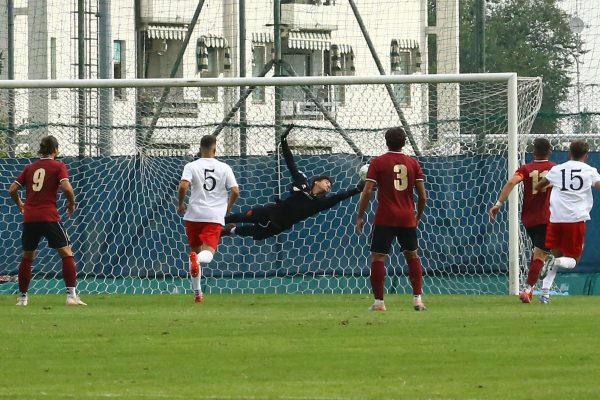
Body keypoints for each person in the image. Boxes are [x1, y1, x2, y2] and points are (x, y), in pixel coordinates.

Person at [221, 125, 363, 240]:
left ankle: (230, 231)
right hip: (271, 211)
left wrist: (358, 189)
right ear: (317, 182)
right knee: (243, 216)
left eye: (330, 186)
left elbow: (340, 196)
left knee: (253, 232)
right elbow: (291, 164)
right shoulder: (302, 183)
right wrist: (283, 141)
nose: (329, 186)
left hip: (279, 225)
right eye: (326, 182)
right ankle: (217, 221)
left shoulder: (321, 203)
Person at [8, 135, 86, 306]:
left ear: (41, 149)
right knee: (66, 252)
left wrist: (21, 203)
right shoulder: (58, 166)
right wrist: (71, 203)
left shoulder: (30, 168)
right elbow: (66, 187)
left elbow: (12, 189)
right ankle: (72, 296)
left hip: (30, 218)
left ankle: (22, 298)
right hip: (49, 216)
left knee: (28, 256)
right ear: (56, 149)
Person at [355, 127, 427, 312]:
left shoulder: (377, 163)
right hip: (406, 217)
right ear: (404, 143)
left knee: (378, 257)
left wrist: (360, 216)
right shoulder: (413, 164)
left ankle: (379, 303)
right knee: (412, 255)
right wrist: (418, 216)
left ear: (386, 142)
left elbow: (368, 191)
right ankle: (417, 300)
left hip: (385, 217)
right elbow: (423, 196)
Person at [489, 138, 555, 303]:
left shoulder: (526, 169)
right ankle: (528, 290)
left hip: (528, 219)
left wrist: (498, 204)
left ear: (533, 151)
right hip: (547, 218)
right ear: (550, 151)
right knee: (541, 255)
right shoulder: (555, 168)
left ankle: (537, 282)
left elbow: (512, 182)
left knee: (538, 253)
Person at [534, 140, 600, 303]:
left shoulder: (557, 169)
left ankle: (544, 292)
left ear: (569, 153)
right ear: (586, 156)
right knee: (572, 260)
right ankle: (553, 263)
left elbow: (539, 186)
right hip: (575, 219)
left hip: (556, 219)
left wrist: (552, 184)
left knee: (556, 255)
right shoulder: (589, 171)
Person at [177, 134, 239, 303]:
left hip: (194, 216)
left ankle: (197, 293)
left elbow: (183, 185)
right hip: (213, 216)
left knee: (196, 253)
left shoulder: (191, 166)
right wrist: (228, 207)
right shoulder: (224, 167)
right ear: (215, 149)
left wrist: (181, 203)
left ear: (200, 149)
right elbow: (235, 191)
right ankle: (197, 261)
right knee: (207, 254)